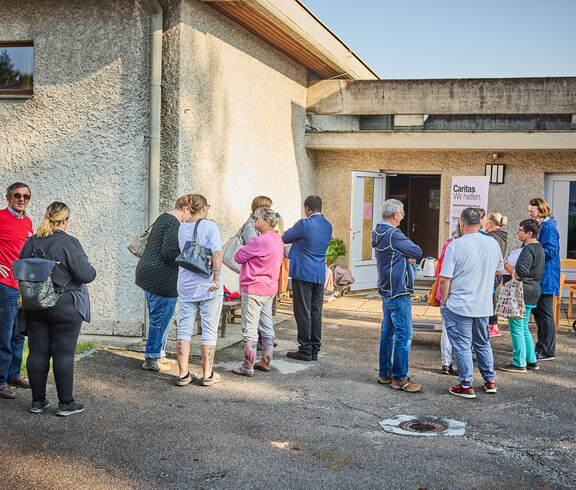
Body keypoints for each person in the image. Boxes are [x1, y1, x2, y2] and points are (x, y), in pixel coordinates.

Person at [20, 202, 96, 415]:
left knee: (37, 352)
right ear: (64, 221)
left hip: (35, 305)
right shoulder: (68, 243)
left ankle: (37, 402)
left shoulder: (31, 242)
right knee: (63, 353)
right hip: (64, 306)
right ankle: (65, 403)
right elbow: (86, 275)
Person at [439, 208, 504, 399]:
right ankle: (489, 381)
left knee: (462, 345)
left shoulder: (456, 245)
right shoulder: (492, 243)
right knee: (483, 343)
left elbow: (444, 279)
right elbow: (499, 271)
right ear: (481, 223)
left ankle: (466, 385)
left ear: (462, 222)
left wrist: (443, 301)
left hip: (460, 305)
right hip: (483, 304)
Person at [136, 195, 193, 372]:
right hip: (160, 277)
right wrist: (189, 258)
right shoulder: (173, 223)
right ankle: (152, 358)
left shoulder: (164, 217)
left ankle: (158, 353)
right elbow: (169, 252)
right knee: (160, 318)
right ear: (184, 208)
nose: (190, 217)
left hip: (150, 273)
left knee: (162, 316)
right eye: (190, 212)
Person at [373, 199, 423, 392]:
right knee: (404, 335)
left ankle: (385, 373)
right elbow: (417, 251)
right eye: (402, 213)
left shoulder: (379, 231)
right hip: (398, 289)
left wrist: (402, 255)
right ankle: (400, 378)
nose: (403, 216)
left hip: (386, 288)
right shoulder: (393, 234)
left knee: (388, 332)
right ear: (395, 215)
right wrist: (405, 255)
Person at [176, 194, 224, 387]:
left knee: (185, 327)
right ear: (204, 207)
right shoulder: (210, 226)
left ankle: (182, 374)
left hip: (186, 284)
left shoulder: (182, 227)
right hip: (207, 285)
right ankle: (207, 374)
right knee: (209, 329)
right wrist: (217, 277)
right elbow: (217, 253)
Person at [232, 208, 284, 376]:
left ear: (266, 222)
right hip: (269, 288)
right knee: (267, 323)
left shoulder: (258, 241)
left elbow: (238, 257)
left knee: (250, 327)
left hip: (254, 287)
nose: (254, 221)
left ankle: (248, 366)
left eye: (257, 219)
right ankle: (265, 360)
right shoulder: (277, 239)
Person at [282, 195, 332, 361]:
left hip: (303, 272)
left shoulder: (304, 223)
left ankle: (305, 349)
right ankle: (315, 348)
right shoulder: (327, 225)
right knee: (316, 311)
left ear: (307, 209)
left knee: (303, 311)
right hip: (319, 273)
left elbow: (285, 237)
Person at [0, 182, 33, 400]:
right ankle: (0, 381)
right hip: (5, 286)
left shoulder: (28, 221)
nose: (22, 199)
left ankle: (13, 375)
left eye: (26, 196)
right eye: (18, 195)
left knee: (19, 333)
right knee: (3, 335)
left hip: (24, 287)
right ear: (8, 197)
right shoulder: (1, 217)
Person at [500, 219, 545, 373]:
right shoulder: (539, 248)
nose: (518, 233)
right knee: (524, 327)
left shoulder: (528, 249)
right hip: (533, 291)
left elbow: (519, 273)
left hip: (522, 292)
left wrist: (505, 263)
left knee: (517, 327)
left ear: (529, 233)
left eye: (520, 230)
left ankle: (519, 363)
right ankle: (531, 360)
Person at [528, 198, 560, 361]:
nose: (530, 214)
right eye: (529, 211)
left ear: (541, 211)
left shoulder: (548, 229)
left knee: (545, 314)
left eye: (532, 211)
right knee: (539, 313)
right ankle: (542, 346)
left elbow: (551, 251)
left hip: (546, 278)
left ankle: (547, 350)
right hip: (540, 277)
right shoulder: (542, 227)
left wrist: (531, 253)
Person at [435, 223, 462, 375]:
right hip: (457, 292)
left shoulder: (447, 245)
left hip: (446, 292)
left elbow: (441, 272)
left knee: (447, 329)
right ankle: (460, 365)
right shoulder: (459, 247)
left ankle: (446, 364)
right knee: (461, 332)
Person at [486, 212, 508, 337]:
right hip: (497, 271)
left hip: (492, 272)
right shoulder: (501, 234)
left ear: (491, 222)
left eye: (486, 220)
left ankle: (493, 325)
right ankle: (493, 325)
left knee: (490, 297)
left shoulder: (492, 236)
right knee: (492, 296)